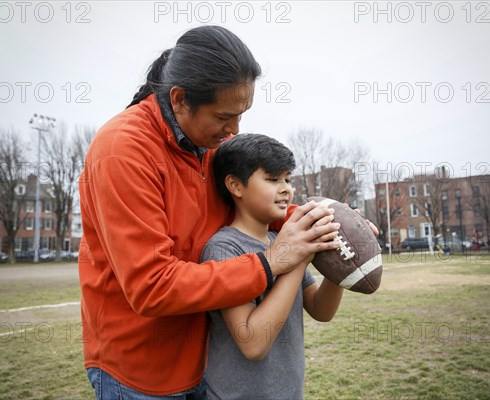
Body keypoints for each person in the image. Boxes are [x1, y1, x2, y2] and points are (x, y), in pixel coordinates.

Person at [78, 25, 343, 399]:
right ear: (180, 99)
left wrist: (328, 222)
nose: (234, 130)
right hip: (138, 371)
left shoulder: (211, 144)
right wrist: (272, 261)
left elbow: (258, 200)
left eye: (241, 114)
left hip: (202, 363)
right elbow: (152, 286)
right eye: (223, 116)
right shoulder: (123, 149)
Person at [200, 134, 345, 399]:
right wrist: (298, 258)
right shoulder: (224, 248)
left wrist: (341, 263)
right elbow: (252, 343)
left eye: (288, 179)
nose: (286, 189)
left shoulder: (281, 240)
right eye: (272, 179)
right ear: (235, 185)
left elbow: (321, 310)